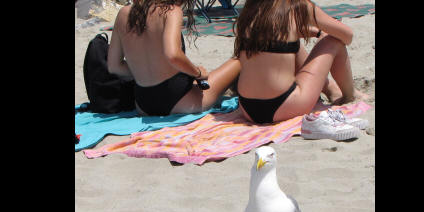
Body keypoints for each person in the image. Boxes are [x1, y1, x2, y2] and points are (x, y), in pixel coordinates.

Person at [233, 0, 369, 124]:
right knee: (333, 40)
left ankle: (330, 89)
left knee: (290, 45)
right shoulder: (298, 6)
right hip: (284, 104)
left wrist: (315, 32)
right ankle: (349, 95)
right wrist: (322, 33)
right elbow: (347, 35)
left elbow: (281, 33)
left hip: (248, 108)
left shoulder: (251, 9)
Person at [107, 0, 241, 116]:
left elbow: (114, 66)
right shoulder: (170, 11)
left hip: (144, 105)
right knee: (238, 60)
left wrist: (145, 72)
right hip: (178, 101)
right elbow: (172, 55)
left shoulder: (124, 13)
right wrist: (198, 73)